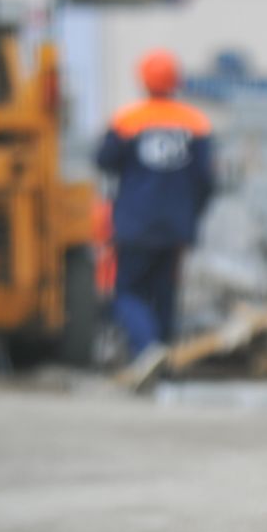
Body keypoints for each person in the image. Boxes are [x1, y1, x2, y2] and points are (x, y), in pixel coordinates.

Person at [96, 49, 214, 386]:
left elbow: (104, 160)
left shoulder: (127, 120)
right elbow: (206, 180)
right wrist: (192, 215)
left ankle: (147, 350)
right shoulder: (196, 123)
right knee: (164, 293)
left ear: (143, 80)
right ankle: (162, 361)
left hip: (135, 223)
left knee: (127, 292)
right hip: (176, 225)